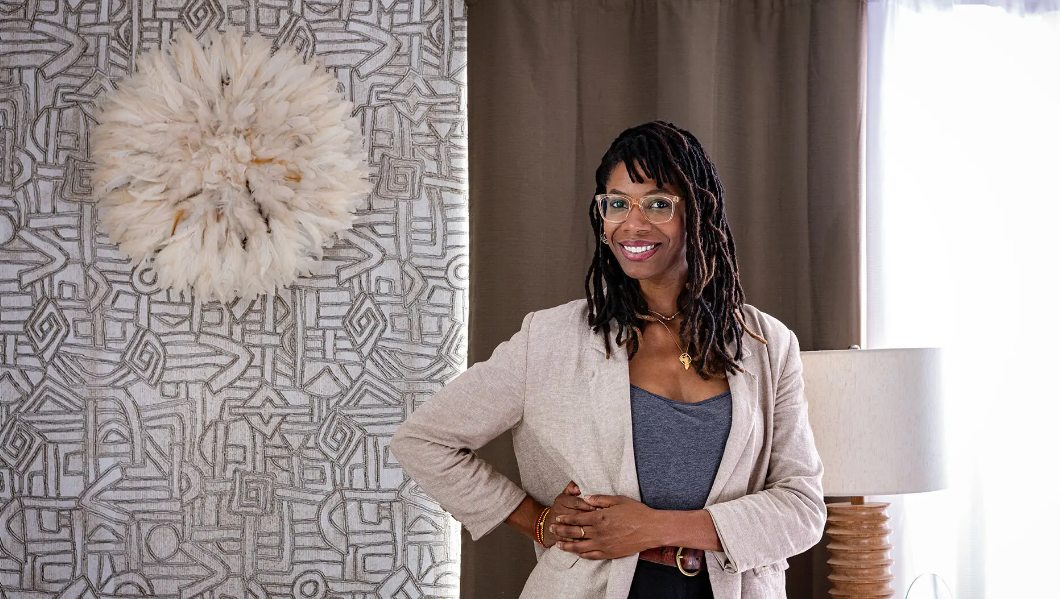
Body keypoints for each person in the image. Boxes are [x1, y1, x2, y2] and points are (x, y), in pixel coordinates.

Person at [391, 121, 826, 599]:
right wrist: (539, 523)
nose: (633, 224)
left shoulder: (766, 344)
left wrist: (656, 528)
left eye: (659, 203)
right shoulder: (552, 340)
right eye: (617, 203)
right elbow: (424, 440)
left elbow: (802, 509)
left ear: (698, 212)